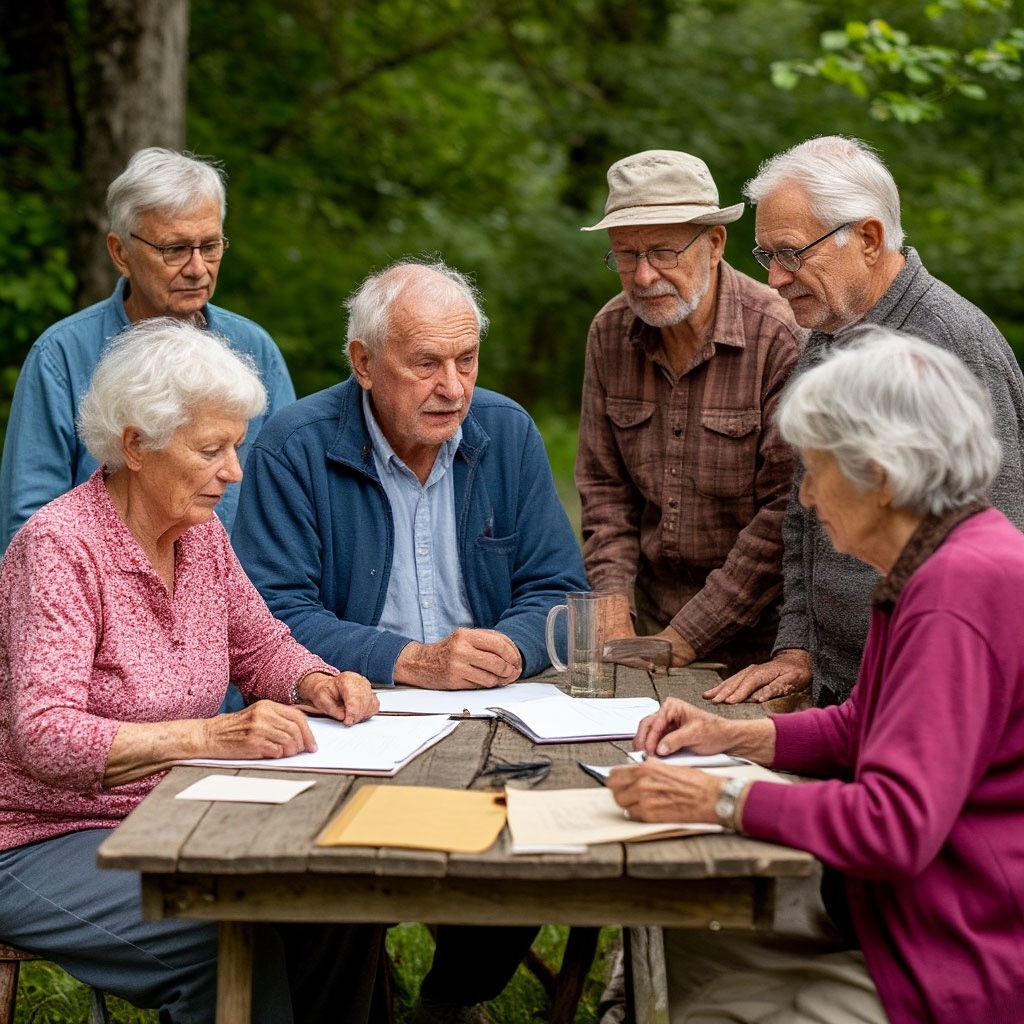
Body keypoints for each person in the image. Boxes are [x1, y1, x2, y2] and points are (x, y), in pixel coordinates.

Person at [609, 329, 1024, 1024]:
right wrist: (729, 737)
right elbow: (865, 724)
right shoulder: (938, 561)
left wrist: (714, 802)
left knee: (694, 955)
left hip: (953, 953)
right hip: (899, 914)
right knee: (676, 930)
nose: (804, 495)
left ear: (881, 476)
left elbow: (895, 824)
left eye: (816, 468)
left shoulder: (958, 589)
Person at [232, 257, 588, 1023]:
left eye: (466, 361)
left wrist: (517, 648)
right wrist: (410, 661)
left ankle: (454, 997)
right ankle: (359, 1000)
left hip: (496, 708)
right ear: (362, 361)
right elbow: (269, 616)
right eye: (425, 363)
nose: (453, 387)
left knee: (538, 836)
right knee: (320, 870)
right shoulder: (293, 445)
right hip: (350, 715)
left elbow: (560, 589)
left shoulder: (506, 430)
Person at [0, 319, 382, 1024]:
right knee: (218, 939)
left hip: (176, 809)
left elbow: (259, 645)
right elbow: (43, 738)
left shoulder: (200, 535)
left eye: (236, 446)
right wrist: (210, 737)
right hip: (39, 835)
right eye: (212, 449)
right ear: (136, 444)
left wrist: (315, 680)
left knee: (338, 899)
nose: (234, 472)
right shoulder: (57, 549)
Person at [707, 134, 1024, 707]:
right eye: (766, 257)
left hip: (930, 695)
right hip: (841, 691)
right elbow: (803, 516)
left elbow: (996, 556)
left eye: (791, 253)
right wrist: (797, 645)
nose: (776, 278)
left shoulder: (953, 348)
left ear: (870, 238)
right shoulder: (826, 334)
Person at [0, 146, 296, 553]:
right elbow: (29, 525)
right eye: (174, 249)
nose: (197, 268)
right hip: (100, 604)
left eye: (210, 246)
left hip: (232, 602)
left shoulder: (254, 351)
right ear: (121, 253)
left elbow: (287, 503)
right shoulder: (62, 356)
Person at [576, 150, 803, 675]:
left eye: (662, 251)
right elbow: (604, 490)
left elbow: (783, 515)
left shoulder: (780, 337)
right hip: (649, 626)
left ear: (715, 243)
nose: (644, 275)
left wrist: (684, 639)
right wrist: (613, 613)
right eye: (625, 256)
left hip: (760, 645)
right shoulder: (609, 333)